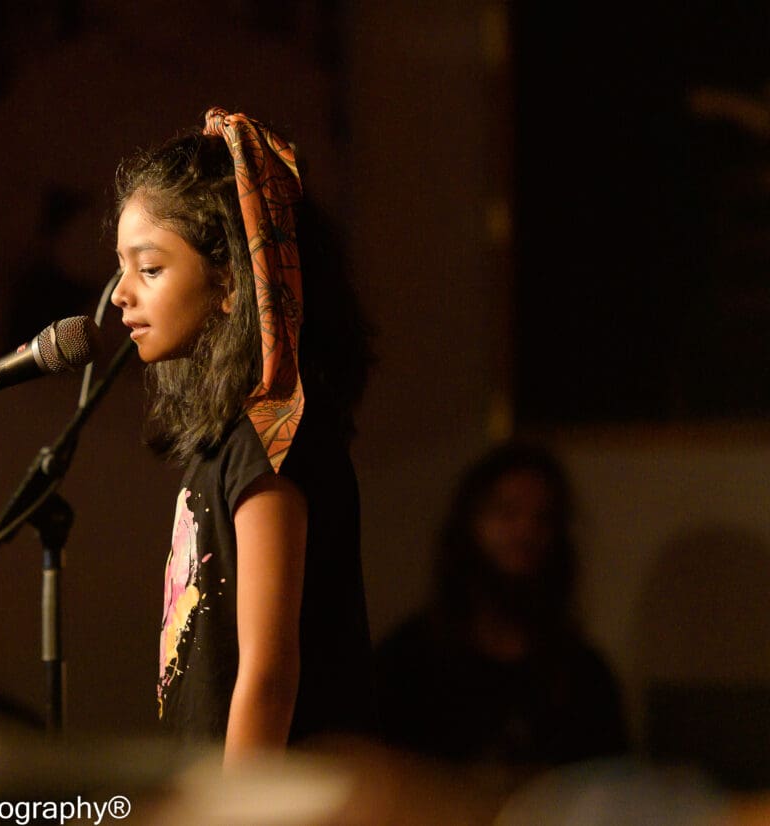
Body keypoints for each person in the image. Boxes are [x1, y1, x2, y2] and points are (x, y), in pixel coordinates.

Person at [110, 108, 376, 763]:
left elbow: (269, 670)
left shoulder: (271, 442)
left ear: (229, 281)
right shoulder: (226, 441)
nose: (120, 294)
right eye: (121, 268)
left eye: (149, 269)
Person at [375, 442, 627, 765]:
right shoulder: (407, 662)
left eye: (542, 519)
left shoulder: (585, 677)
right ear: (469, 526)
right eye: (507, 513)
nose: (525, 532)